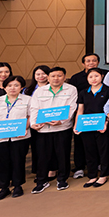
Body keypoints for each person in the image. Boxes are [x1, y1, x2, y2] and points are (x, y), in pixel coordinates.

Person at [29, 66, 77, 194]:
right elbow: (34, 108)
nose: (56, 78)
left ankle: (62, 179)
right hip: (43, 129)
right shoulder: (40, 91)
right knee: (42, 156)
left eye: (59, 76)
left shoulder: (71, 89)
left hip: (63, 128)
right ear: (48, 78)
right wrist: (33, 123)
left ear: (64, 77)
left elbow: (72, 107)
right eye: (53, 76)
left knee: (63, 155)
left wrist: (62, 121)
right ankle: (41, 181)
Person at [0, 75, 30, 201]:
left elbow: (31, 116)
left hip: (19, 137)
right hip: (0, 137)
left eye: (16, 85)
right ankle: (4, 188)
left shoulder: (28, 100)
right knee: (1, 162)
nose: (12, 88)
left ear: (21, 87)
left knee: (18, 161)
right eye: (9, 85)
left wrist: (23, 128)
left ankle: (18, 186)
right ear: (4, 87)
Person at [74, 68, 109, 188]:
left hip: (103, 125)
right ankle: (92, 176)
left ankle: (103, 175)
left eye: (96, 76)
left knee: (103, 150)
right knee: (89, 151)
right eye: (90, 77)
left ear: (102, 76)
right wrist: (76, 125)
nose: (94, 79)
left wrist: (106, 123)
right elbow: (80, 110)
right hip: (86, 125)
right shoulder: (83, 92)